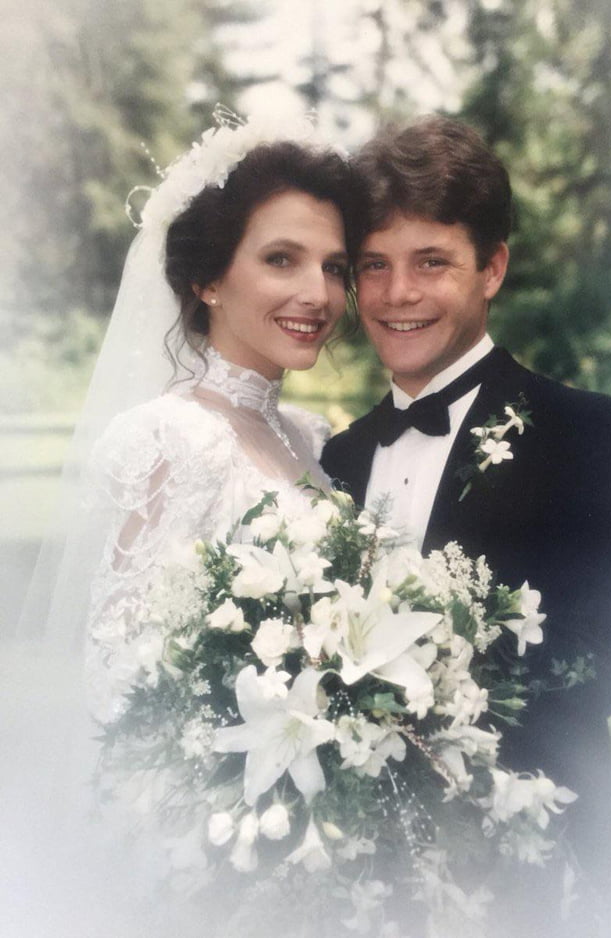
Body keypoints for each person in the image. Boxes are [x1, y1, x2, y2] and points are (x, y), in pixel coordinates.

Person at [12, 111, 360, 936]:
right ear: (207, 280)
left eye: (335, 267)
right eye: (282, 259)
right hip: (218, 855)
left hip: (322, 833)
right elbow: (123, 688)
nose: (318, 293)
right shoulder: (168, 439)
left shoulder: (310, 439)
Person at [321, 115, 611, 927]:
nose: (398, 295)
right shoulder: (338, 461)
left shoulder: (585, 431)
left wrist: (404, 707)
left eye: (432, 262)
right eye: (375, 266)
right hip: (360, 879)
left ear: (491, 268)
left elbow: (600, 666)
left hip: (535, 870)